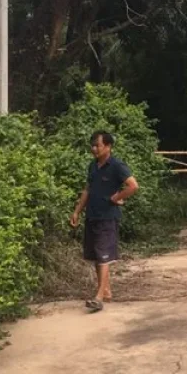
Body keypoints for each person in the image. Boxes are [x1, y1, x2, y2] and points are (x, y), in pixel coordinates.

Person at [69, 131, 138, 312]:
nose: (94, 149)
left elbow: (133, 185)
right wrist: (77, 211)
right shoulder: (93, 166)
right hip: (92, 216)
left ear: (108, 146)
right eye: (92, 145)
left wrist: (117, 197)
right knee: (96, 257)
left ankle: (98, 297)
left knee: (103, 256)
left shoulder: (116, 165)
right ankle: (106, 291)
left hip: (108, 218)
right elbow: (87, 190)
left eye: (97, 145)